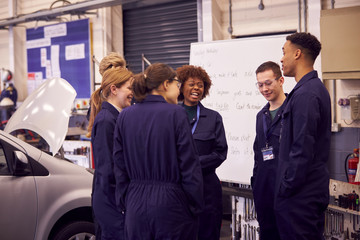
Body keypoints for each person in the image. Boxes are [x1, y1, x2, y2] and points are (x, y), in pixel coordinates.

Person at [113, 63, 204, 239]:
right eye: (177, 84)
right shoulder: (176, 114)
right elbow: (189, 165)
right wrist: (195, 205)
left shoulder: (124, 116)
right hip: (170, 205)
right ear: (165, 84)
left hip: (134, 204)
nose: (179, 90)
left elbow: (119, 164)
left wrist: (126, 200)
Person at [275, 32, 331, 239]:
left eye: (284, 52)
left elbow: (302, 147)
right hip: (306, 191)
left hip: (300, 195)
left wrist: (287, 186)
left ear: (297, 54)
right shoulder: (310, 89)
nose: (281, 58)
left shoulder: (306, 94)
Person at [176, 65, 228, 240]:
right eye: (191, 84)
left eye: (200, 85)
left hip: (207, 189)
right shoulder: (171, 115)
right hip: (178, 188)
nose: (196, 88)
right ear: (181, 87)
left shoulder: (213, 118)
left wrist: (193, 163)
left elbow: (220, 153)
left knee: (208, 233)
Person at [87, 66, 134, 240]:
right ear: (114, 89)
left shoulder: (116, 117)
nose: (132, 93)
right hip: (111, 202)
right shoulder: (107, 120)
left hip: (114, 199)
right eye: (129, 88)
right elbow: (108, 169)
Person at [251, 61, 285, 240]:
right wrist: (256, 182)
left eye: (268, 83)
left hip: (286, 189)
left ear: (281, 81)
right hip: (264, 189)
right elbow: (258, 152)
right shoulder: (261, 116)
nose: (264, 88)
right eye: (260, 84)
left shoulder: (292, 111)